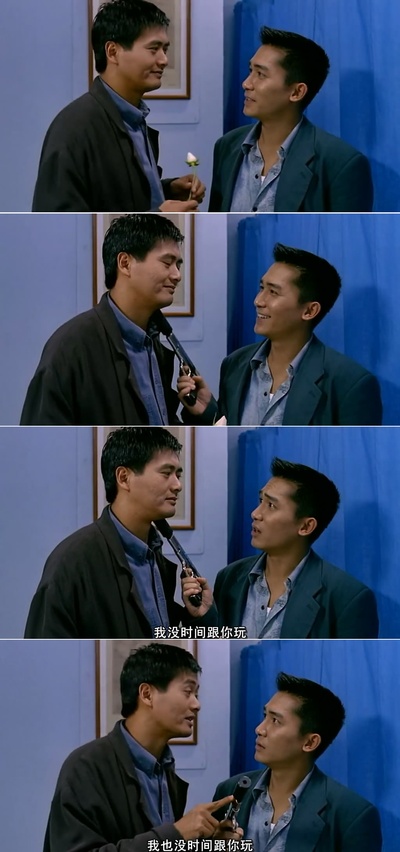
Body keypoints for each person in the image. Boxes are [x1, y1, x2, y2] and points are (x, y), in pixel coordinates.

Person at [43, 643, 239, 852]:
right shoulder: (85, 766)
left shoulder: (164, 769)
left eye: (196, 695)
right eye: (188, 692)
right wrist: (176, 834)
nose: (196, 704)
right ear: (147, 694)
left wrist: (208, 844)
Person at [25, 428, 217, 638]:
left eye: (178, 475)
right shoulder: (71, 563)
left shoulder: (155, 558)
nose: (178, 485)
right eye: (166, 473)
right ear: (124, 477)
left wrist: (201, 618)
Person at [177, 243, 382, 426]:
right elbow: (226, 427)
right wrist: (207, 411)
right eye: (261, 288)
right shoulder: (234, 364)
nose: (258, 301)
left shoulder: (350, 384)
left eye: (273, 292)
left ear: (309, 311)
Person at [21, 214, 195, 426]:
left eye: (178, 265)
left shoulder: (155, 346)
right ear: (125, 263)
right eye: (167, 263)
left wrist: (200, 414)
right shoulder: (70, 348)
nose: (177, 275)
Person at [32, 0, 205, 212]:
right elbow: (56, 216)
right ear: (113, 52)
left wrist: (167, 189)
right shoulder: (74, 128)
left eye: (165, 49)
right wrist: (159, 216)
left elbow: (117, 196)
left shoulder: (134, 119)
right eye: (154, 49)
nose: (164, 60)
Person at [181, 458, 379, 638]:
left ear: (305, 526)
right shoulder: (230, 577)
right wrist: (203, 616)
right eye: (261, 501)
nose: (255, 514)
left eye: (271, 505)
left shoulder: (348, 598)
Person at [209, 27, 373, 213]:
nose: (246, 83)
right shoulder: (227, 146)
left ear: (296, 92)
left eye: (260, 74)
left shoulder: (341, 164)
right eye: (250, 70)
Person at [213, 672, 382, 851]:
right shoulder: (230, 791)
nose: (260, 729)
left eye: (275, 721)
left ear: (310, 743)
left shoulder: (351, 815)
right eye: (265, 716)